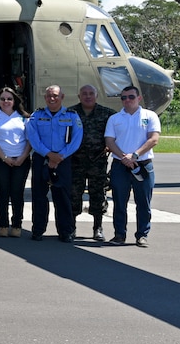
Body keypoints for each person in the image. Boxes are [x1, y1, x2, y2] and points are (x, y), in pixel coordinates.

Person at [104, 86, 161, 247]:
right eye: (124, 98)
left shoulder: (150, 116)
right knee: (119, 202)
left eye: (130, 97)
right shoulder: (115, 119)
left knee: (143, 202)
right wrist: (124, 157)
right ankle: (119, 235)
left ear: (139, 98)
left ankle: (142, 235)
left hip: (142, 164)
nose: (127, 100)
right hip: (120, 165)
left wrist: (134, 155)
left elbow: (153, 139)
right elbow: (109, 141)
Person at [26, 84, 83, 243]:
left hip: (63, 161)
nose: (52, 98)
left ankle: (65, 231)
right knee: (39, 196)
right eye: (49, 96)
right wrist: (49, 154)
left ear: (62, 97)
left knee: (63, 197)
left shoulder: (72, 116)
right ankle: (38, 230)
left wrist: (60, 156)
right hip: (41, 159)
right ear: (45, 98)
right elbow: (33, 137)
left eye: (55, 95)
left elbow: (76, 139)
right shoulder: (36, 116)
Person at [69, 84, 116, 240]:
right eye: (84, 94)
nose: (87, 96)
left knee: (98, 195)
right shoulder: (70, 113)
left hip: (98, 161)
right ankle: (71, 228)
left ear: (96, 96)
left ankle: (98, 227)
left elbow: (119, 132)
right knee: (74, 194)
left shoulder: (107, 114)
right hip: (76, 161)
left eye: (91, 93)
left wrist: (112, 146)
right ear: (79, 96)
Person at [0, 87, 32, 238]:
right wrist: (5, 158)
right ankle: (3, 225)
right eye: (3, 99)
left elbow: (30, 140)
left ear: (15, 101)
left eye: (9, 99)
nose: (6, 101)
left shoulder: (24, 117)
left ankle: (17, 225)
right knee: (2, 193)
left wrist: (22, 157)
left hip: (21, 160)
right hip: (0, 160)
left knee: (17, 193)